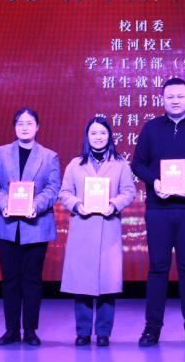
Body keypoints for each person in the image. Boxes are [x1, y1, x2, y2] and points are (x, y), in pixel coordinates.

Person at [131, 77, 185, 347]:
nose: (175, 100)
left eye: (180, 96)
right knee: (158, 268)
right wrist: (155, 182)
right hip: (158, 208)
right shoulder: (151, 128)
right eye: (170, 96)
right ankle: (151, 330)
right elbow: (138, 164)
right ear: (162, 99)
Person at [0, 107, 61, 347]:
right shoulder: (0, 153)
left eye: (29, 123)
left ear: (37, 127)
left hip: (35, 225)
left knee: (32, 280)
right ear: (14, 127)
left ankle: (30, 330)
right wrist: (4, 203)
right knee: (10, 280)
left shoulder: (49, 156)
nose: (25, 127)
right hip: (6, 224)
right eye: (20, 123)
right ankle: (11, 330)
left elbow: (53, 188)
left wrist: (34, 205)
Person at [58, 116, 136, 347]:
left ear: (109, 135)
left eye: (102, 132)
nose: (98, 137)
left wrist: (114, 205)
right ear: (87, 136)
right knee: (81, 284)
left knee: (107, 285)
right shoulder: (75, 164)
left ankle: (103, 332)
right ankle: (82, 332)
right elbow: (64, 192)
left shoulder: (120, 164)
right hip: (82, 227)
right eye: (93, 133)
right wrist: (77, 205)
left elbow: (129, 191)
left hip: (108, 228)